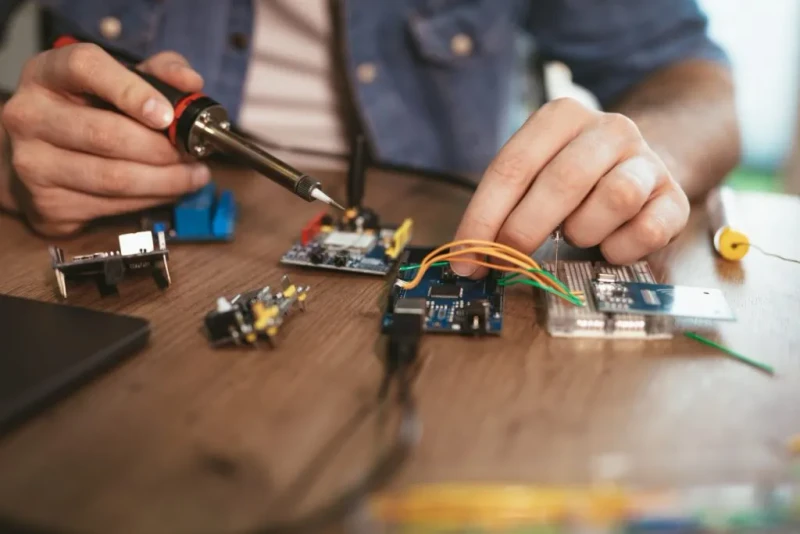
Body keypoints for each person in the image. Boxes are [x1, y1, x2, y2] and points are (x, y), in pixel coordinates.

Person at [0, 0, 739, 274]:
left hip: (449, 247)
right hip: (158, 258)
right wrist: (9, 158)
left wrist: (649, 158)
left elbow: (693, 76)